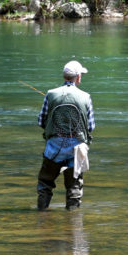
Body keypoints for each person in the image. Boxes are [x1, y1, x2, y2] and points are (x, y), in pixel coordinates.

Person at [36, 60, 94, 210]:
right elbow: (90, 127)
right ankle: (73, 224)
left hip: (53, 148)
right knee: (74, 188)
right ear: (78, 77)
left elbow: (41, 121)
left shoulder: (50, 94)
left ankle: (42, 216)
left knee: (45, 184)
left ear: (64, 76)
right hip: (76, 149)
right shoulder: (86, 97)